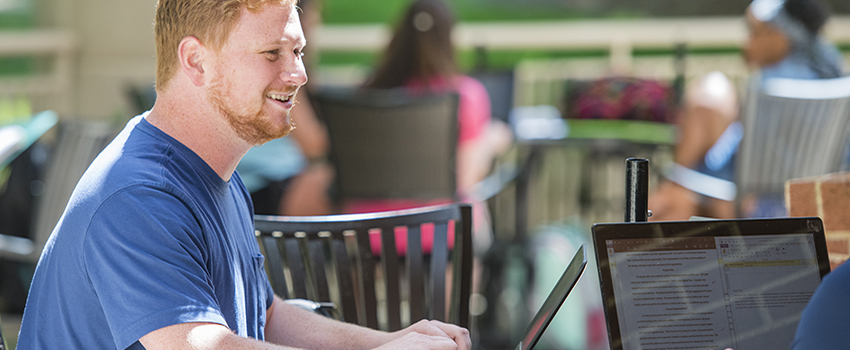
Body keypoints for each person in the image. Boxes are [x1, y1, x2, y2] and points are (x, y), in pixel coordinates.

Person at [15, 1, 471, 349]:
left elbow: (266, 314)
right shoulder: (139, 196)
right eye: (272, 52)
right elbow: (201, 343)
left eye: (298, 50)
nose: (297, 74)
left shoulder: (219, 173)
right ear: (195, 61)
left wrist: (387, 341)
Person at [649, 0, 846, 220]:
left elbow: (722, 165)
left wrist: (679, 177)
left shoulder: (769, 89)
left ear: (779, 35)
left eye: (753, 31)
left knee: (672, 201)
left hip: (753, 214)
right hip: (812, 212)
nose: (746, 42)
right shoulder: (834, 80)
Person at [236, 0, 333, 216]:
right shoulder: (280, 74)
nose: (317, 20)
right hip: (260, 184)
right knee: (328, 181)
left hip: (275, 179)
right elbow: (314, 145)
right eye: (314, 12)